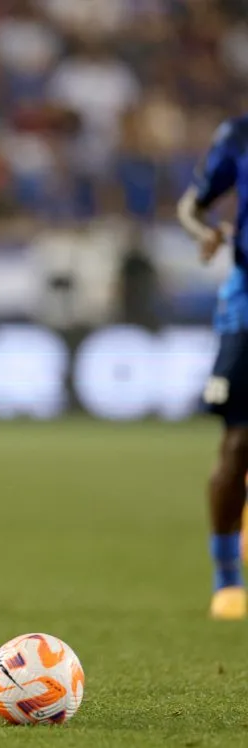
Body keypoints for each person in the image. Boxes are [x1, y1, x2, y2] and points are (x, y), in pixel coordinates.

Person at [178, 114, 248, 621]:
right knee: (239, 440)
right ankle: (227, 578)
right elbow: (192, 205)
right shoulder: (238, 135)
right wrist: (205, 230)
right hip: (246, 305)